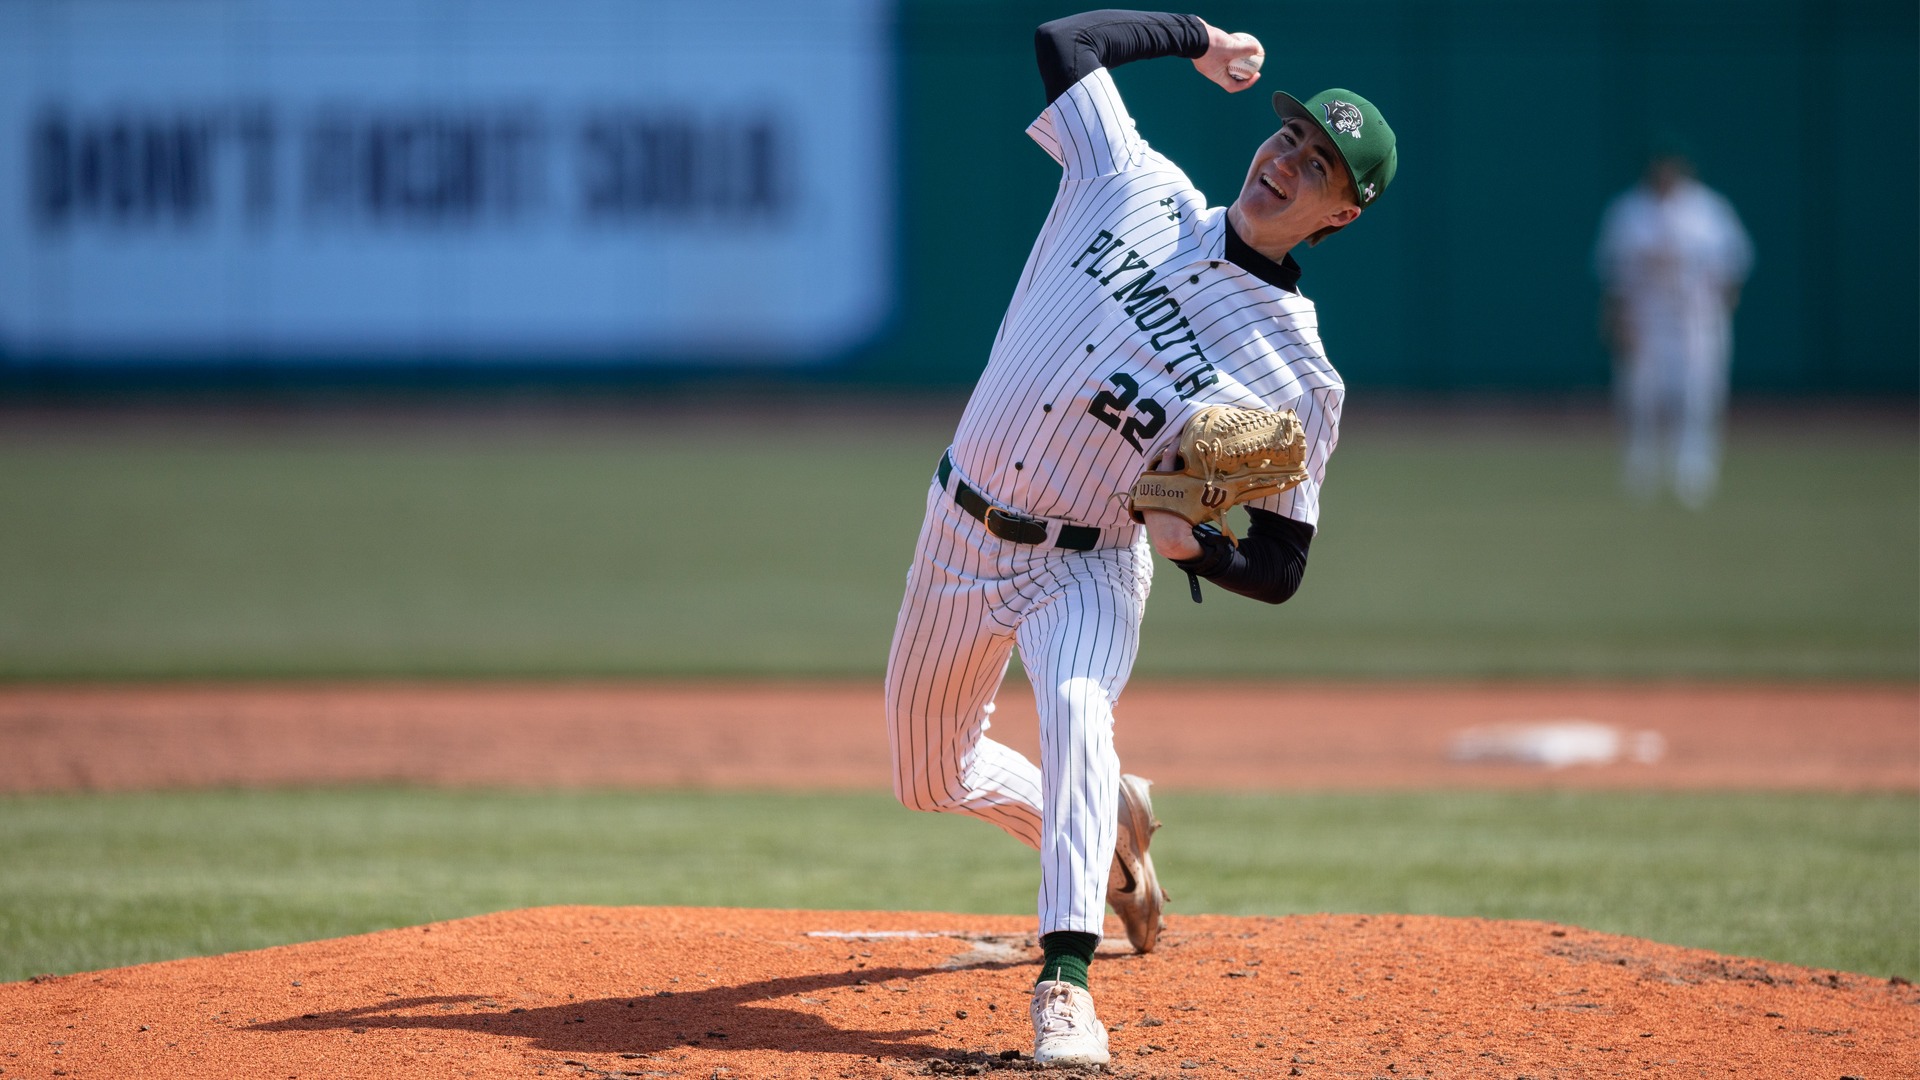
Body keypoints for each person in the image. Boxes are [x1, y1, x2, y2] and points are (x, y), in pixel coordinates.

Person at [883, 9, 1396, 1066]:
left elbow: (1284, 564)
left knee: (1077, 714)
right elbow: (1063, 43)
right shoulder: (1134, 184)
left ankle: (1064, 985)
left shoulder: (1299, 375)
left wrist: (1198, 551)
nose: (1287, 162)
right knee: (929, 776)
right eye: (1289, 139)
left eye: (1318, 168)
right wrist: (1197, 37)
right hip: (961, 525)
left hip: (1090, 560)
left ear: (1341, 216)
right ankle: (1108, 833)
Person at [1594, 147, 1753, 509]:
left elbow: (1734, 262)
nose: (1666, 175)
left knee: (1698, 392)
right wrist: (1618, 319)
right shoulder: (1629, 211)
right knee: (1640, 394)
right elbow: (1613, 275)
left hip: (1695, 316)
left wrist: (1721, 304)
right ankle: (1642, 467)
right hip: (1647, 316)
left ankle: (1694, 470)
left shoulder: (1708, 209)